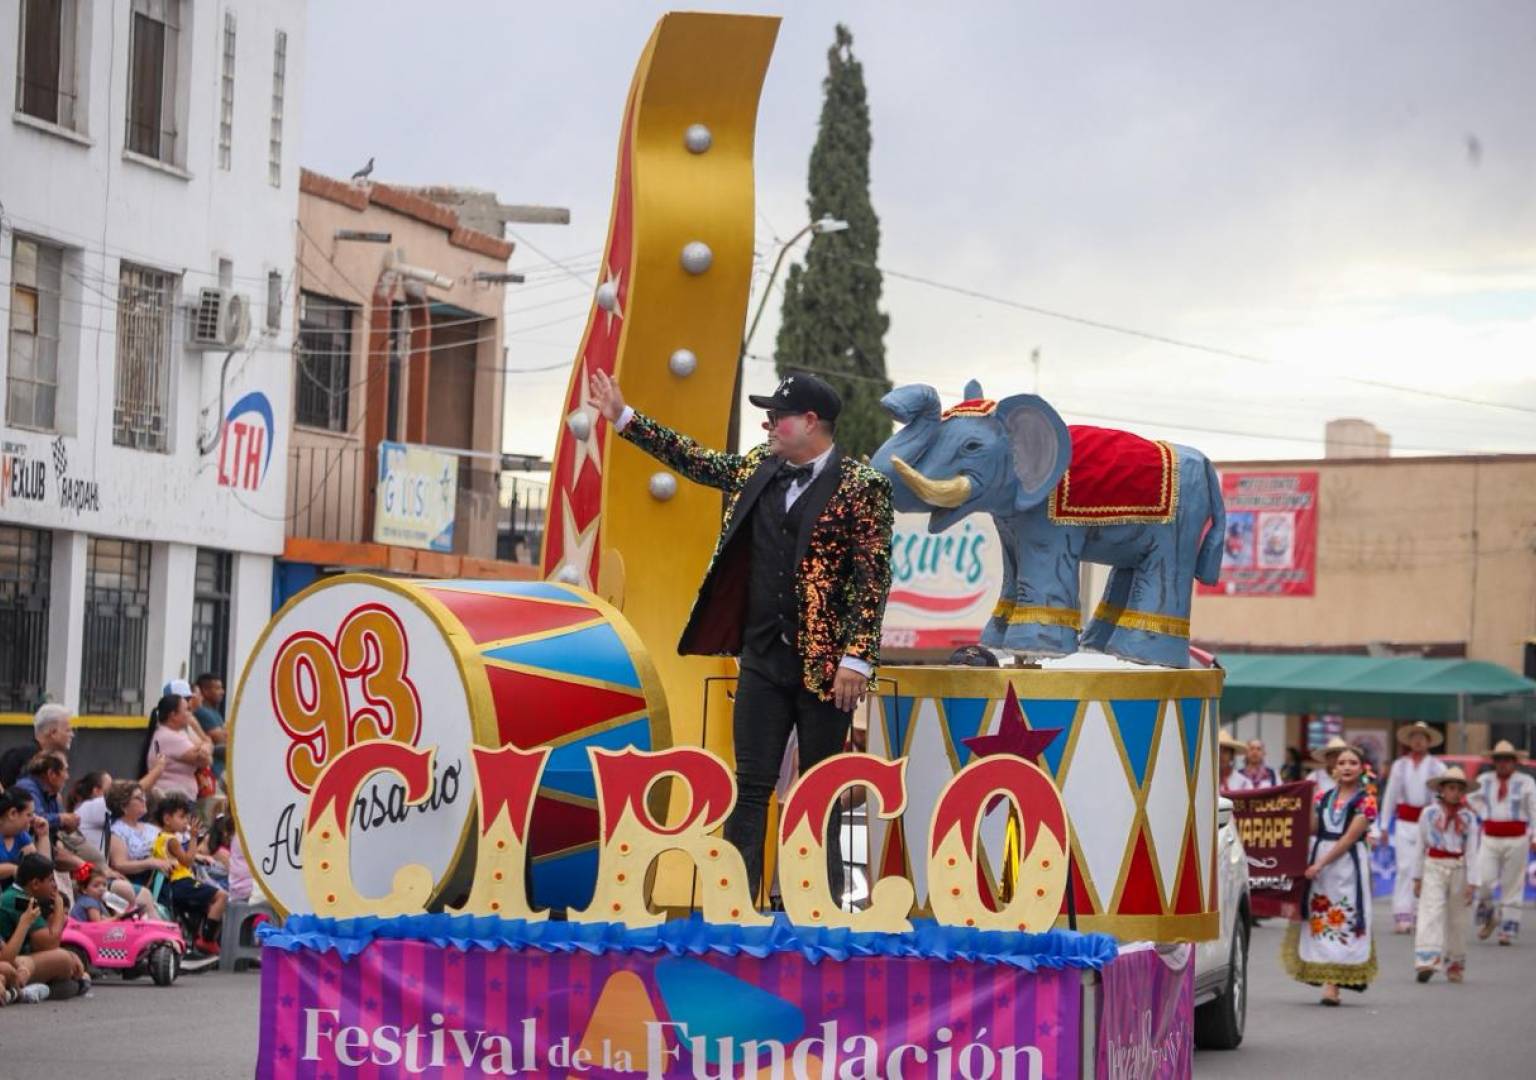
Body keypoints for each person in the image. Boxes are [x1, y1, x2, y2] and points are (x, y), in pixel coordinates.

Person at [589, 369, 893, 905]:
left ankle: (816, 904)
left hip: (827, 667)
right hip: (761, 657)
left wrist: (858, 658)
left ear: (810, 422)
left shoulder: (864, 487)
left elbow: (874, 575)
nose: (768, 424)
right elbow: (699, 462)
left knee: (819, 788)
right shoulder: (760, 466)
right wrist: (625, 417)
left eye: (777, 417)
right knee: (750, 782)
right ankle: (736, 902)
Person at [1283, 746, 1378, 1004]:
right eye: (1342, 763)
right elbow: (1315, 827)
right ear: (1334, 769)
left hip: (1347, 865)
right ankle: (1326, 977)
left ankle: (1333, 984)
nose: (1346, 767)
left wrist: (1319, 864)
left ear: (1361, 769)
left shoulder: (1366, 801)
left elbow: (1348, 838)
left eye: (1352, 762)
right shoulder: (1323, 797)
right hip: (1321, 864)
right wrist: (1291, 811)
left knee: (1344, 917)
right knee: (1321, 916)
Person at [1411, 767, 1480, 983]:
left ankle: (1455, 962)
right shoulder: (1428, 813)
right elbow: (1420, 845)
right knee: (1430, 911)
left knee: (1458, 917)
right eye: (1451, 788)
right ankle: (1427, 960)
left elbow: (1472, 850)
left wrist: (1473, 882)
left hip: (1459, 866)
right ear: (1441, 789)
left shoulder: (1468, 817)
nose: (1456, 793)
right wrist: (1417, 876)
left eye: (1460, 789)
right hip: (1433, 865)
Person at [1378, 721, 1447, 933]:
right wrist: (1383, 825)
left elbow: (1444, 796)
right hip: (1404, 822)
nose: (1418, 741)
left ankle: (1421, 914)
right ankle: (1402, 914)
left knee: (1426, 869)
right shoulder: (1400, 765)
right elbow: (1390, 794)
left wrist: (1441, 822)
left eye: (1422, 737)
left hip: (1428, 822)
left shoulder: (1437, 766)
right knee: (1404, 868)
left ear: (1428, 742)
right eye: (1414, 737)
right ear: (1409, 741)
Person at [1469, 741, 1536, 945]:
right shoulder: (1484, 780)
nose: (1503, 764)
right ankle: (1489, 916)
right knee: (1483, 880)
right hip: (1490, 836)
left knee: (1512, 883)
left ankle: (1508, 926)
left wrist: (1535, 835)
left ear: (1515, 762)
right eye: (1499, 760)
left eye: (1507, 760)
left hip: (1517, 837)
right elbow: (1470, 799)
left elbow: (1534, 808)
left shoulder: (1526, 782)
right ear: (1493, 761)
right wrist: (1483, 813)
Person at [0, 854, 90, 999]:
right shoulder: (19, 899)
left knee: (69, 964)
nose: (54, 886)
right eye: (50, 880)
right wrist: (59, 906)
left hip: (16, 958)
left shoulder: (19, 895)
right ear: (35, 884)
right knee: (64, 960)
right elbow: (50, 943)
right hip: (15, 961)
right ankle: (27, 991)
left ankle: (49, 988)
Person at [151, 793, 225, 954]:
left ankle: (196, 938)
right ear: (167, 819)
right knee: (221, 896)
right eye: (182, 817)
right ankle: (207, 940)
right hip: (180, 882)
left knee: (207, 904)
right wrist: (193, 838)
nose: (186, 821)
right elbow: (188, 861)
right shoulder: (172, 840)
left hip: (173, 884)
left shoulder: (161, 837)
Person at [139, 693, 213, 800]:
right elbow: (205, 760)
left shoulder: (177, 732)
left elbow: (206, 744)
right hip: (173, 800)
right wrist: (205, 747)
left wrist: (205, 746)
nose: (190, 714)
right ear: (173, 715)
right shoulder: (170, 737)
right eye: (187, 710)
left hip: (181, 798)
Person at [106, 781, 170, 888]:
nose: (144, 800)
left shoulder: (152, 828)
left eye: (144, 797)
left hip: (163, 878)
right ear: (123, 806)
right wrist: (150, 863)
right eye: (138, 798)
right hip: (136, 882)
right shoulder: (117, 831)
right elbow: (119, 864)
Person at [0, 704, 74, 788]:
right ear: (52, 732)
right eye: (68, 730)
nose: (72, 735)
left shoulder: (45, 758)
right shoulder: (30, 760)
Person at [193, 672, 229, 781]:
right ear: (205, 691)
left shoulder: (214, 712)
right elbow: (223, 740)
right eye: (218, 688)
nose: (222, 692)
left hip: (221, 770)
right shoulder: (202, 712)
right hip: (214, 774)